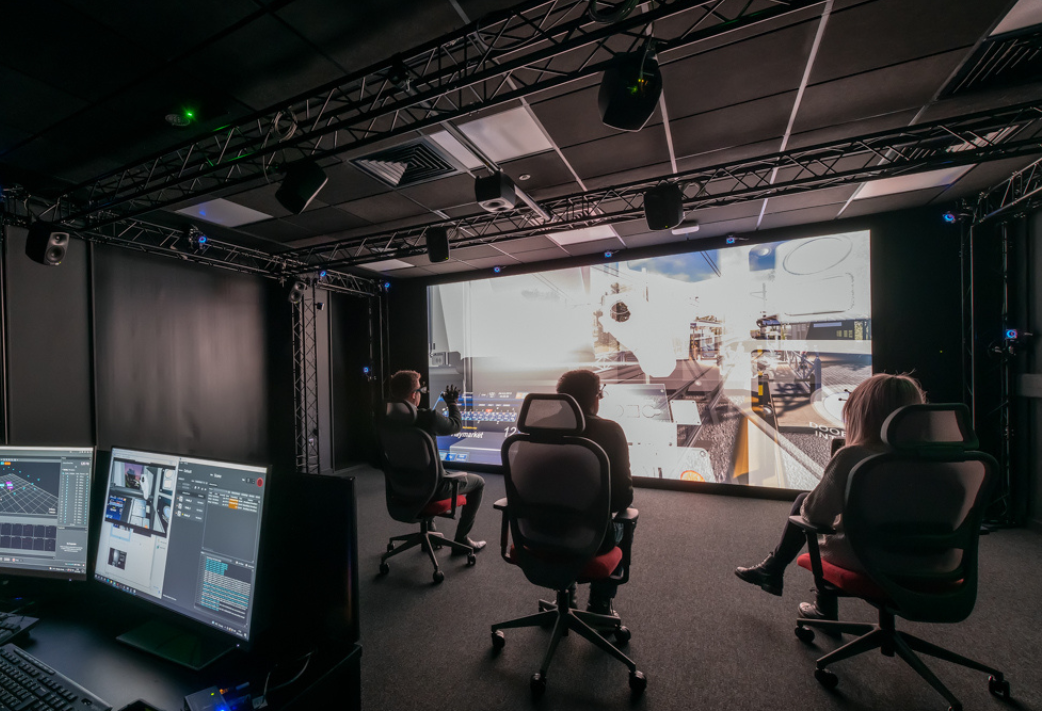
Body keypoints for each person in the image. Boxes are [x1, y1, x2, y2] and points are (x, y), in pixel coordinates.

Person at [734, 373, 926, 619]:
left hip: (871, 562)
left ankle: (811, 598)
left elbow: (814, 514)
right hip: (934, 566)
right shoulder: (948, 461)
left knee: (805, 506)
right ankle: (772, 570)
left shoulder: (854, 457)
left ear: (864, 414)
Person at [556, 369, 634, 616]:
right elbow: (623, 498)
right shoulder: (610, 431)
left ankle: (565, 595)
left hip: (536, 533)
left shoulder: (539, 427)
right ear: (594, 399)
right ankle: (600, 603)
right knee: (626, 518)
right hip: (593, 539)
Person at [388, 370, 486, 552]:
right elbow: (456, 426)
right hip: (434, 489)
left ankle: (430, 535)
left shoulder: (384, 421)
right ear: (413, 395)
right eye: (420, 390)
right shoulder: (427, 417)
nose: (421, 394)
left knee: (426, 473)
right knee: (478, 482)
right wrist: (452, 403)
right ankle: (462, 539)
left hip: (398, 488)